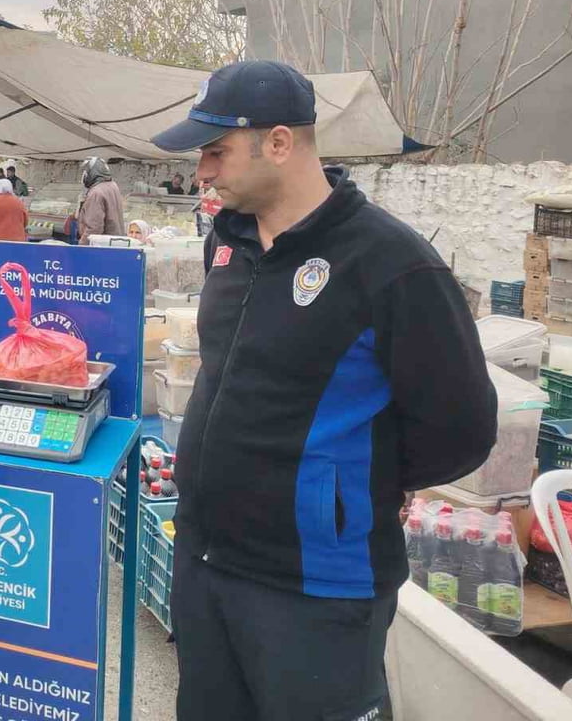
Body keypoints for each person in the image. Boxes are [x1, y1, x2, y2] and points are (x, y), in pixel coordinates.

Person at [150, 60, 497, 721]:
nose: (203, 172)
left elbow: (462, 428)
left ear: (280, 143)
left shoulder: (392, 264)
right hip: (206, 563)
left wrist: (350, 484)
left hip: (316, 588)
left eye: (216, 151)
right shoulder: (227, 245)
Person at [77, 158, 125, 244]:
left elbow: (94, 228)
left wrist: (82, 246)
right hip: (115, 243)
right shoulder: (113, 186)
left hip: (101, 247)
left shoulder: (96, 193)